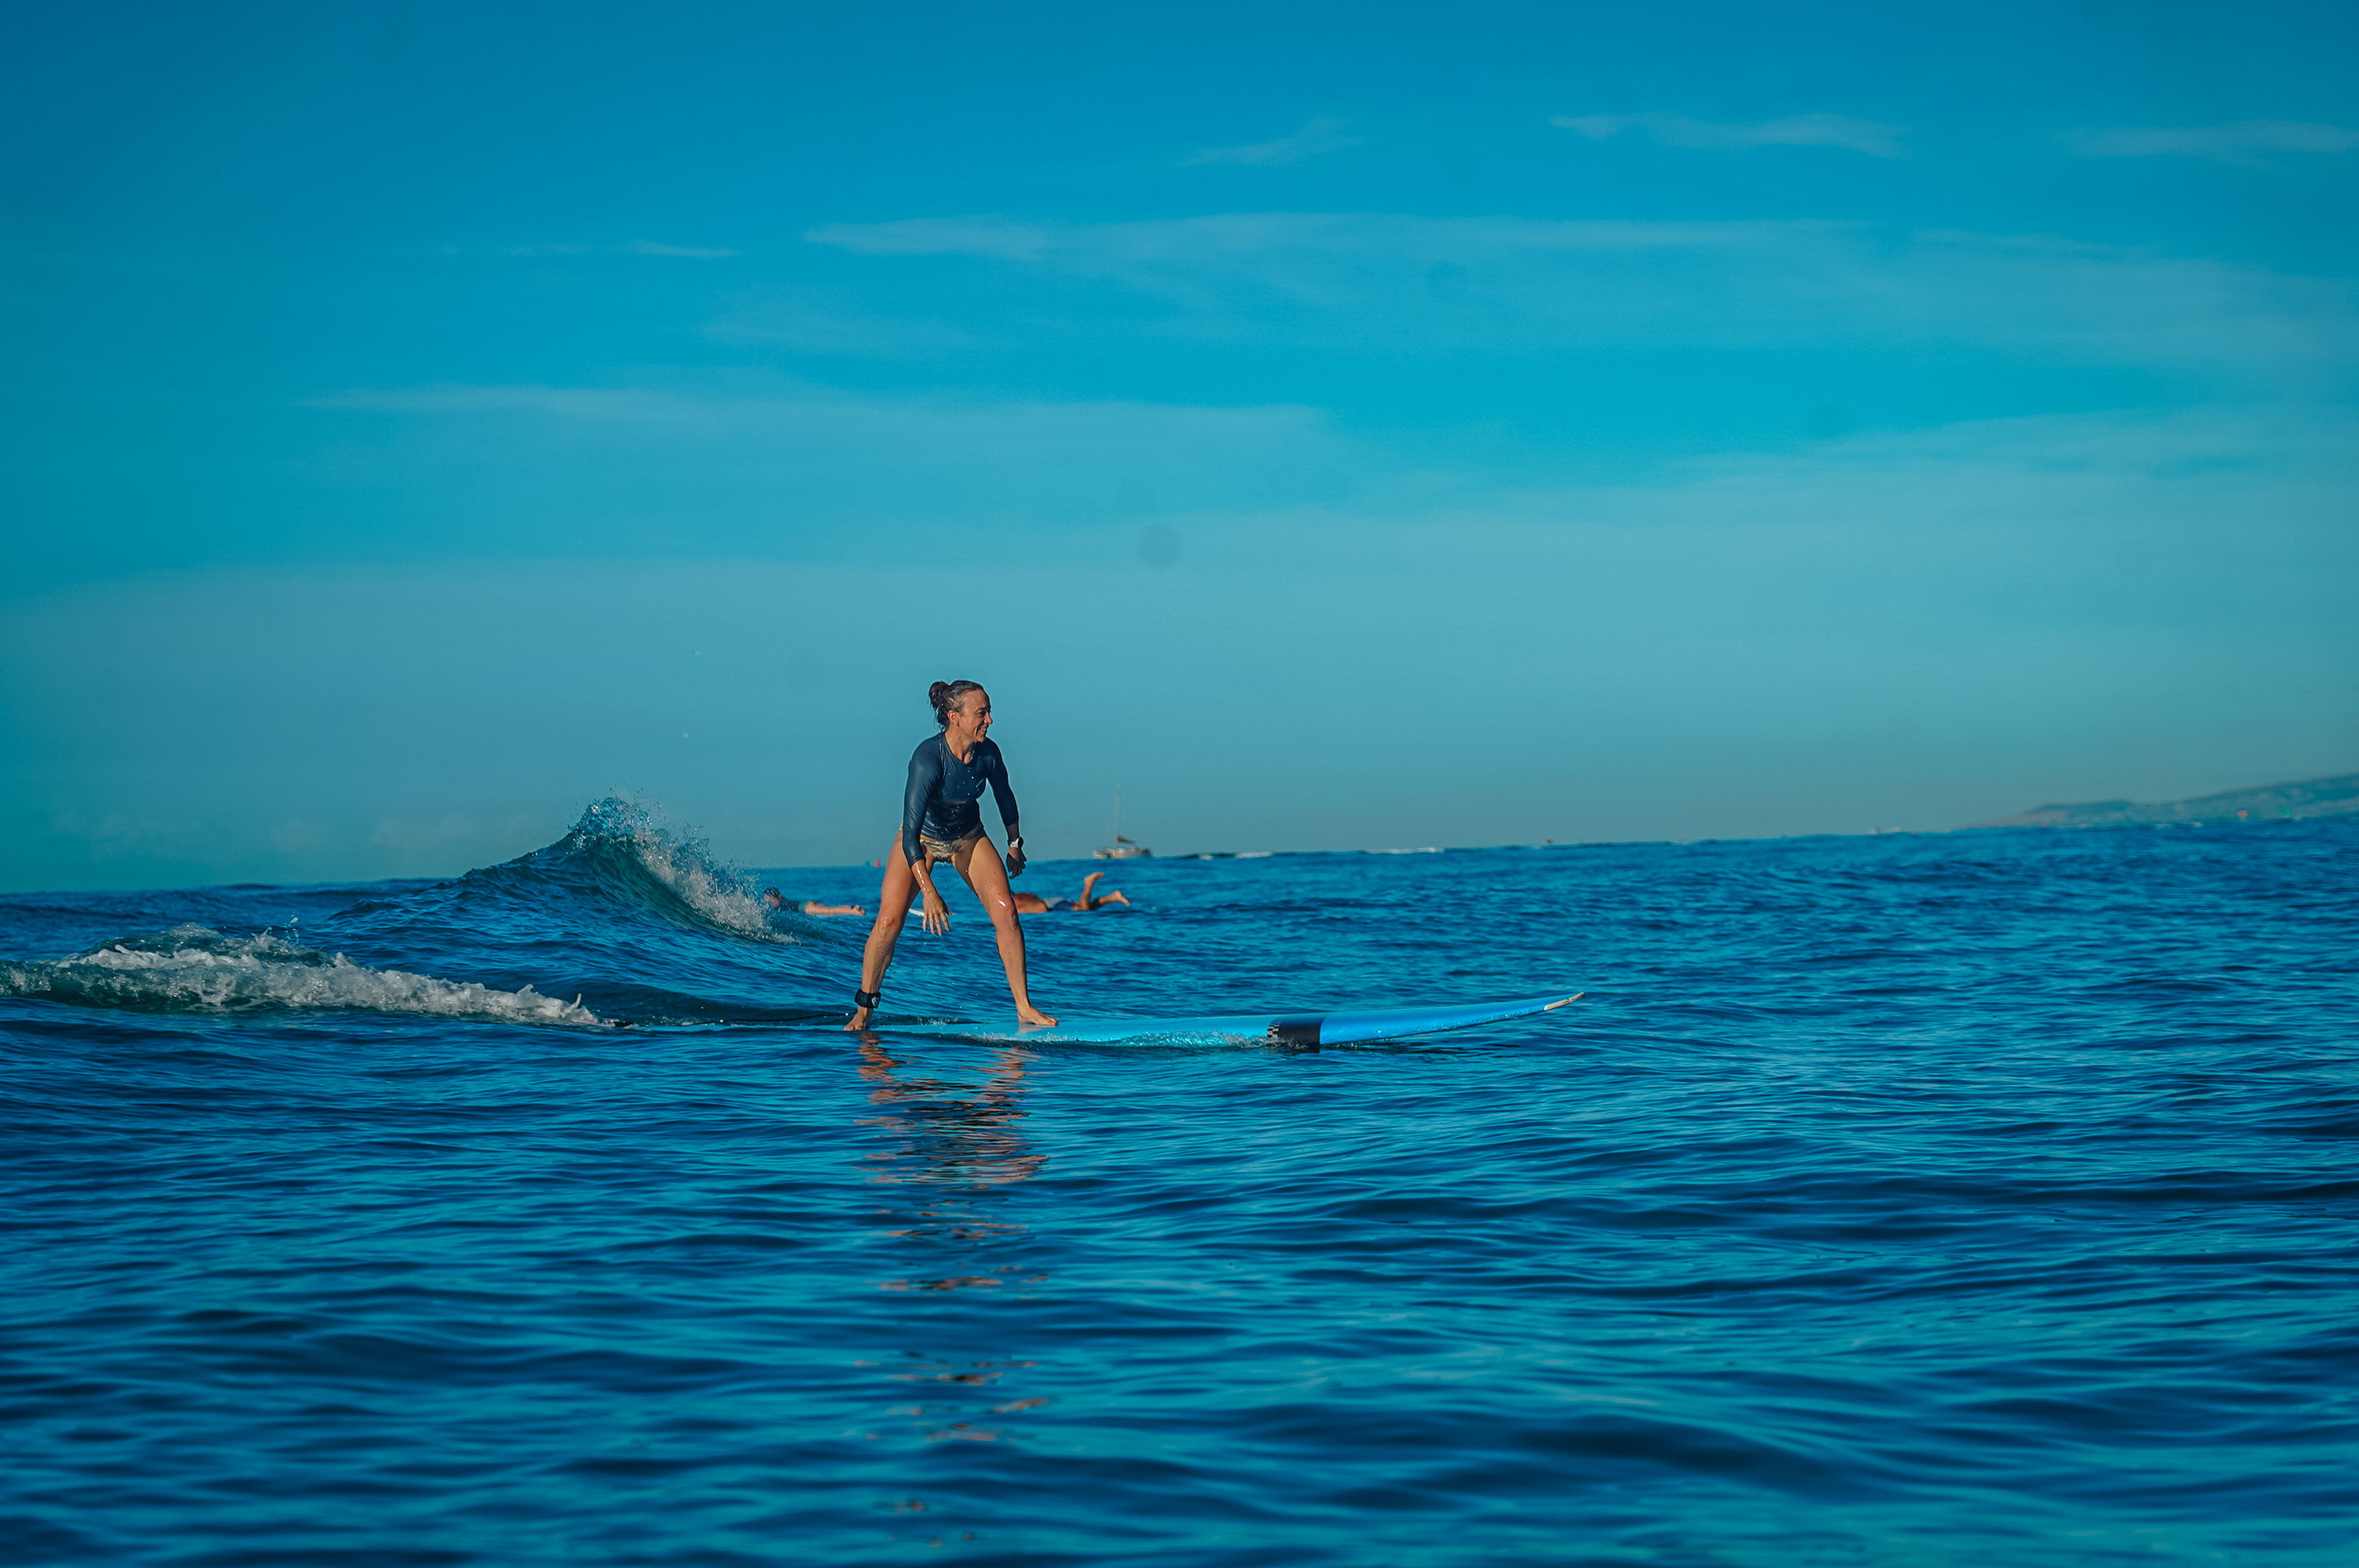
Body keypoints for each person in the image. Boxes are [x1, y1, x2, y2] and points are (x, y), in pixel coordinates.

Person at [845, 681, 1055, 1030]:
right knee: (888, 923)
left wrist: (1015, 843)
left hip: (967, 837)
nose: (989, 720)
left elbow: (1005, 796)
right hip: (921, 841)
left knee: (1008, 914)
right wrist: (928, 891)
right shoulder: (927, 759)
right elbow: (910, 834)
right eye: (981, 713)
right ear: (954, 717)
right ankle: (864, 1011)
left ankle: (1024, 1008)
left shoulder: (988, 754)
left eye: (989, 711)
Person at [1012, 870, 1130, 913]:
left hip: (1050, 905)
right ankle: (1113, 897)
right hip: (1051, 903)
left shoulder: (1013, 902)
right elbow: (1033, 896)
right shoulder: (1017, 897)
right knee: (1086, 907)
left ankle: (1089, 884)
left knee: (1084, 908)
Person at [762, 888, 865, 917]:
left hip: (808, 908)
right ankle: (853, 908)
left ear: (774, 897)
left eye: (768, 899)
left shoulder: (778, 901)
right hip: (808, 904)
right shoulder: (781, 899)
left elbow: (775, 905)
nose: (767, 902)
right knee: (831, 909)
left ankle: (853, 911)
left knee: (831, 911)